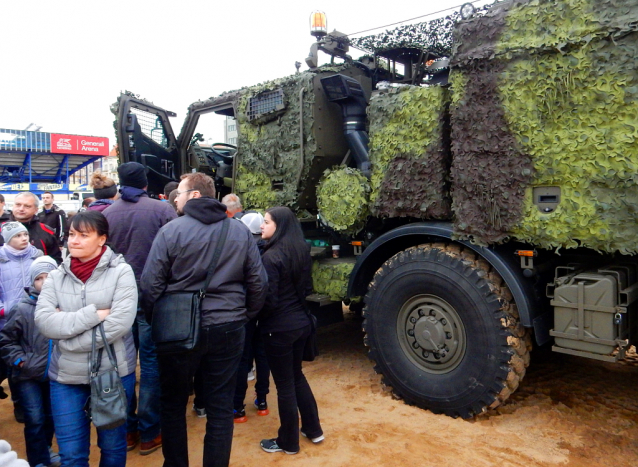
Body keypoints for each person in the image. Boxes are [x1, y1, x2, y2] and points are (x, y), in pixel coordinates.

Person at [140, 172, 267, 467]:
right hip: (229, 327)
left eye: (179, 193)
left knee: (173, 404)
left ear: (194, 195)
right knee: (221, 407)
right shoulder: (238, 231)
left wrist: (159, 320)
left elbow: (150, 286)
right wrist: (243, 315)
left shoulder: (172, 231)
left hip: (178, 329)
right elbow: (258, 283)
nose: (175, 198)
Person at [34, 211, 138, 467]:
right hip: (66, 378)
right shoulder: (57, 275)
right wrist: (93, 314)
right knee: (71, 454)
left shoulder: (121, 273)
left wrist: (68, 339)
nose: (74, 241)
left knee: (113, 448)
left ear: (102, 239)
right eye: (71, 234)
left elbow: (120, 323)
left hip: (111, 374)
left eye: (83, 235)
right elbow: (44, 321)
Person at [103, 161, 176, 455]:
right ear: (146, 183)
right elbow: (177, 250)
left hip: (115, 299)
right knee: (150, 363)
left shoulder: (107, 213)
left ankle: (128, 430)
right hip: (151, 296)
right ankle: (149, 433)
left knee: (121, 364)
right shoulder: (161, 210)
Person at [258, 207, 323, 455]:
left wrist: (256, 318)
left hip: (279, 328)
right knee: (297, 377)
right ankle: (313, 429)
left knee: (284, 384)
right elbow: (306, 289)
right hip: (301, 323)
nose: (262, 226)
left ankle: (288, 441)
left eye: (266, 222)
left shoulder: (271, 257)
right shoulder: (301, 250)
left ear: (279, 226)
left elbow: (269, 300)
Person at [0, 256, 60, 467]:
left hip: (55, 374)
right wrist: (20, 361)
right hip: (27, 376)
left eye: (49, 277)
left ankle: (46, 448)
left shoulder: (63, 307)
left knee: (51, 416)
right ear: (32, 282)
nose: (44, 282)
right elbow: (6, 340)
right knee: (34, 419)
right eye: (39, 278)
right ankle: (38, 461)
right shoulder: (22, 308)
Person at [0, 222, 43, 421]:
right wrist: (3, 308)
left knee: (33, 359)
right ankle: (19, 402)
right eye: (18, 236)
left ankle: (36, 401)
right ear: (8, 239)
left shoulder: (38, 257)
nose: (24, 238)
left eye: (25, 234)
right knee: (13, 363)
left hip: (35, 319)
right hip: (7, 320)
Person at [233, 212, 271, 423]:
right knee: (262, 356)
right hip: (264, 311)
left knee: (242, 358)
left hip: (245, 311)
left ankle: (238, 408)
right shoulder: (269, 249)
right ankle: (262, 401)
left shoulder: (242, 249)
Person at [3, 193, 61, 263]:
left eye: (27, 206)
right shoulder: (1, 230)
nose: (21, 209)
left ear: (36, 210)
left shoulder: (47, 231)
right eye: (18, 205)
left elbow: (56, 261)